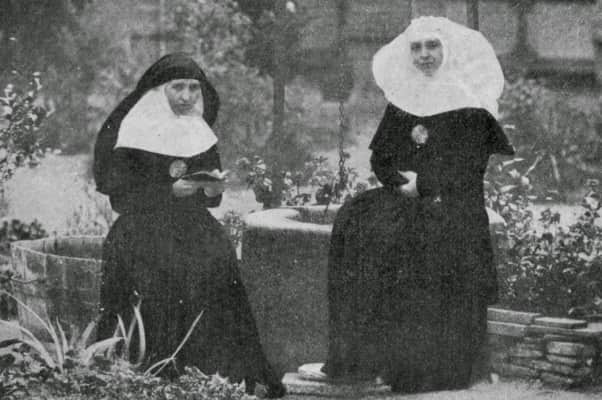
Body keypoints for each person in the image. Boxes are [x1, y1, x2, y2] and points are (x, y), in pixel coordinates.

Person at [321, 17, 514, 393]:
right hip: (408, 197)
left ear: (448, 50)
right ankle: (370, 357)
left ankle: (431, 368)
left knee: (422, 242)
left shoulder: (469, 102)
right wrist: (401, 184)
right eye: (416, 47)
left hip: (455, 202)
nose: (424, 55)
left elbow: (470, 166)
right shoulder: (404, 100)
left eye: (432, 46)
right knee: (355, 220)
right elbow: (381, 159)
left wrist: (423, 184)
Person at [93, 53, 285, 398]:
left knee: (216, 261)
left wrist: (211, 189)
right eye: (177, 87)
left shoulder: (198, 129)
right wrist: (169, 191)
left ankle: (212, 376)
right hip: (142, 228)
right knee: (165, 269)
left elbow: (211, 199)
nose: (186, 96)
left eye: (193, 88)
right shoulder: (135, 128)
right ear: (158, 90)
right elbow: (121, 198)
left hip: (192, 225)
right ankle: (158, 376)